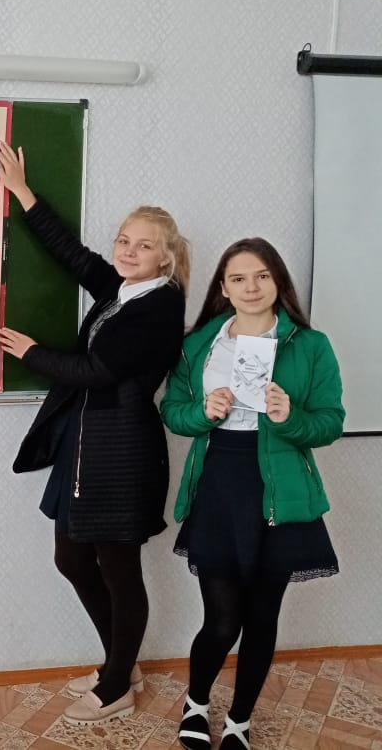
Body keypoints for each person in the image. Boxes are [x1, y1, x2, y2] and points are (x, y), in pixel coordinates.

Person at [0, 142, 190, 726]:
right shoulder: (124, 290)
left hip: (121, 451)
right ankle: (119, 666)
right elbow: (75, 258)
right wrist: (23, 192)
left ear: (167, 258)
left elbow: (99, 371)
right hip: (85, 443)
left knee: (119, 568)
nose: (128, 251)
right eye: (124, 240)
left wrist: (32, 352)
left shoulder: (159, 306)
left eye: (144, 245)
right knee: (72, 557)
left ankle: (117, 686)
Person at [161, 238, 343, 750]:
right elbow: (172, 411)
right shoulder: (199, 345)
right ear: (223, 288)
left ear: (278, 281)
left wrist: (291, 417)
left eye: (262, 275)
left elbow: (331, 422)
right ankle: (197, 703)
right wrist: (203, 412)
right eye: (238, 278)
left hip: (280, 488)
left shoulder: (310, 345)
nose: (251, 287)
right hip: (219, 482)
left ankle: (240, 719)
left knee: (262, 618)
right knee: (221, 621)